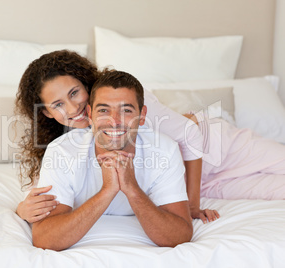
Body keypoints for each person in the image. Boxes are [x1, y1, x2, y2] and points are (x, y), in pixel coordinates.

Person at [15, 50, 285, 224]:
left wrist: (191, 206)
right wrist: (22, 210)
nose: (72, 108)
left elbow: (190, 133)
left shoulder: (122, 98)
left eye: (74, 93)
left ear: (86, 84)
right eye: (58, 104)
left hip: (218, 147)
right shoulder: (64, 144)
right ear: (47, 113)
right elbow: (53, 189)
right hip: (199, 182)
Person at [31, 70, 193, 250]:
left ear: (142, 115)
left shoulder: (165, 150)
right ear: (90, 114)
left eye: (126, 110)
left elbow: (180, 235)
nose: (114, 121)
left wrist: (132, 188)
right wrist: (107, 191)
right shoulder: (62, 151)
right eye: (103, 110)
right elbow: (45, 238)